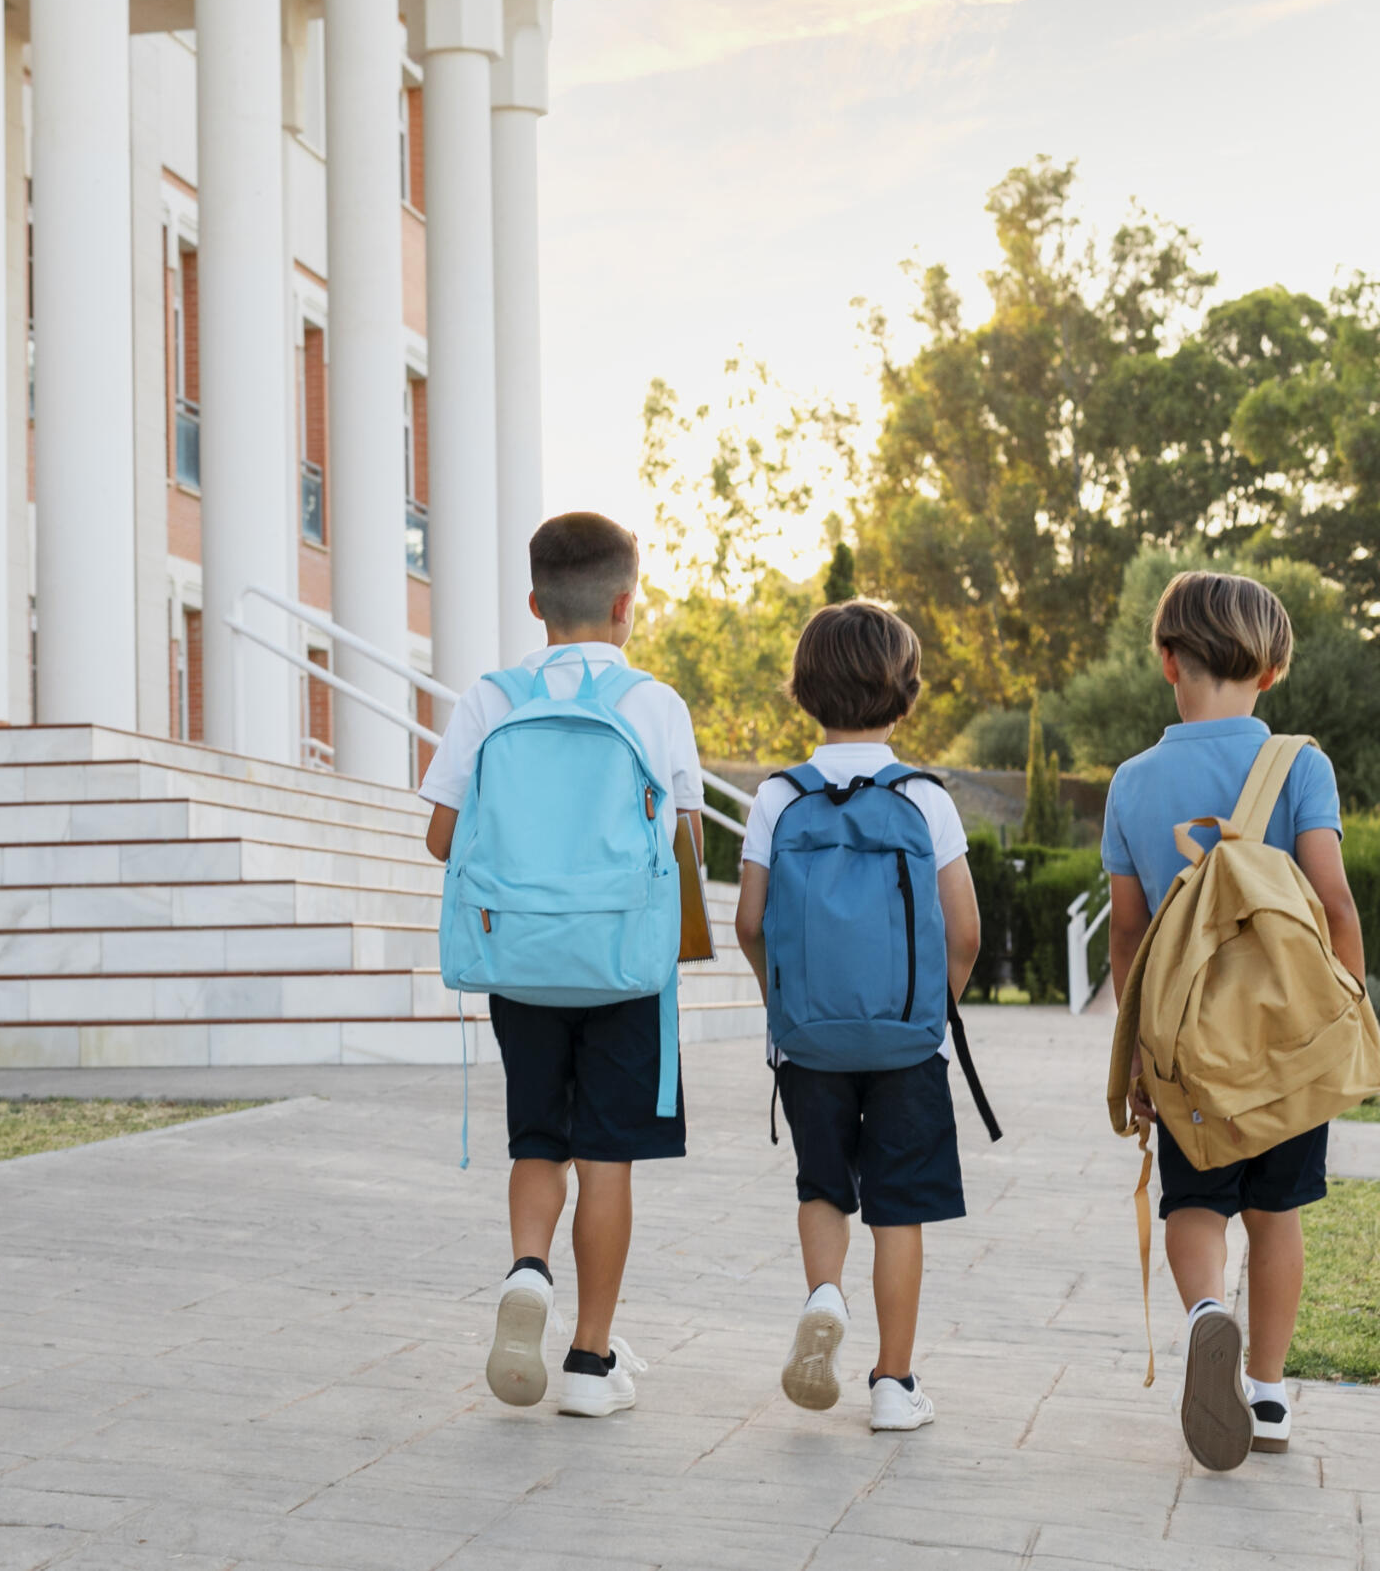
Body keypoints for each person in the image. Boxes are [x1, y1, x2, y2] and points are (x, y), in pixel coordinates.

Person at [420, 511, 705, 1418]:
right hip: (624, 967)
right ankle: (590, 1360)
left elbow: (441, 836)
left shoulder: (489, 699)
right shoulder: (655, 704)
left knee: (539, 1137)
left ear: (535, 602)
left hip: (523, 961)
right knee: (608, 1158)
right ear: (628, 604)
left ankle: (529, 1267)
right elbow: (685, 850)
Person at [1102, 569, 1362, 1467]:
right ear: (1274, 668)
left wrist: (1136, 1058)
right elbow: (1333, 901)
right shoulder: (1300, 763)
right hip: (1287, 1044)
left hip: (1185, 1047)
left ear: (1167, 661)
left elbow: (1129, 936)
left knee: (1197, 1201)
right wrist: (1347, 1015)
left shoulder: (1133, 782)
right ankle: (1268, 1391)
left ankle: (1208, 1312)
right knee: (1278, 1213)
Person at [734, 600, 983, 1433]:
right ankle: (895, 1383)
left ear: (803, 691)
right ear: (905, 693)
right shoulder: (924, 798)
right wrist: (931, 1010)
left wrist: (785, 1007)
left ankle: (825, 1295)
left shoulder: (777, 796)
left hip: (809, 1040)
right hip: (908, 1042)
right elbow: (965, 930)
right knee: (898, 1209)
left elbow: (748, 920)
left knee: (823, 1187)